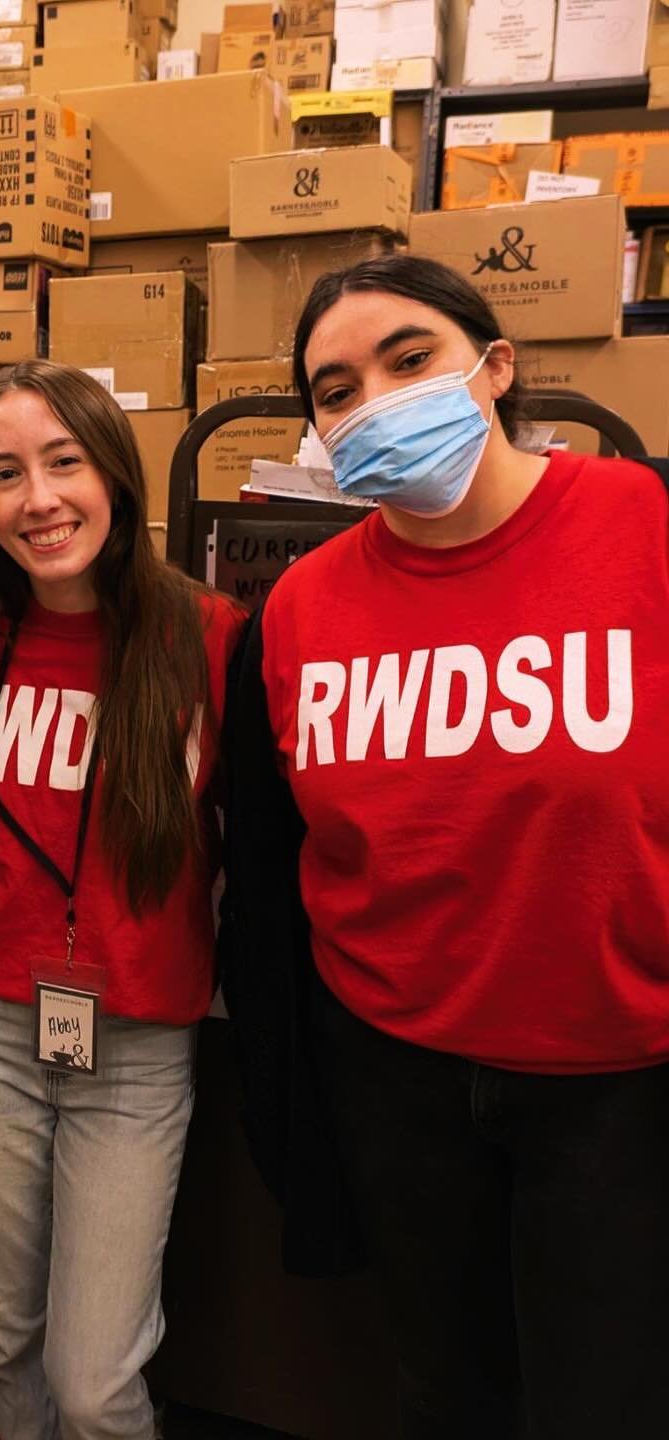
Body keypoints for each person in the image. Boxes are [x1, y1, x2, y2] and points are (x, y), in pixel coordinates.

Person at [220, 253, 669, 1439]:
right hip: (397, 1079)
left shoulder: (648, 525)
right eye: (335, 389)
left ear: (495, 367)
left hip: (619, 1082)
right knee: (443, 1392)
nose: (373, 400)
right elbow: (279, 864)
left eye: (407, 359)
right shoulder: (300, 611)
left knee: (607, 1401)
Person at [0, 360, 243, 1440]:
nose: (38, 498)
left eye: (64, 462)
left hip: (136, 1045)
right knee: (7, 1337)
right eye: (6, 475)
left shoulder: (208, 638)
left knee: (95, 1380)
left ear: (116, 476)